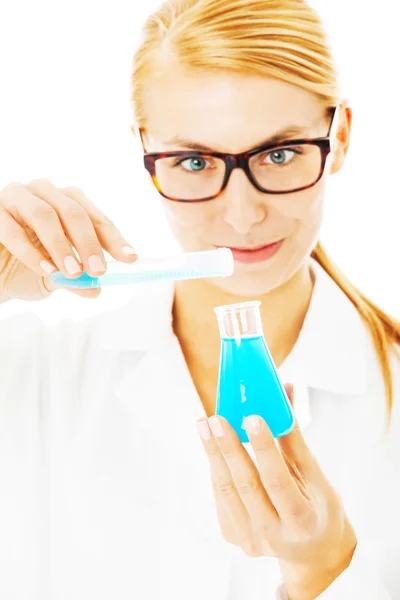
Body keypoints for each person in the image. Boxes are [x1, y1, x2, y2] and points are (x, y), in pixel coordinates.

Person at [0, 0, 399, 598]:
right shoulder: (39, 375)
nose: (241, 215)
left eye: (280, 154)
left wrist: (323, 577)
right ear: (145, 151)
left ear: (338, 137)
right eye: (193, 161)